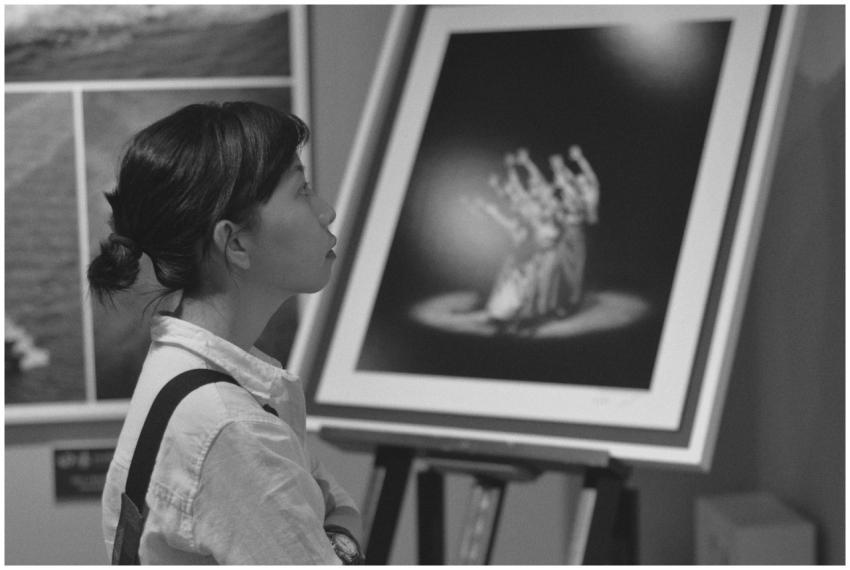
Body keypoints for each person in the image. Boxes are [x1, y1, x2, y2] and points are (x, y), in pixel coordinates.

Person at [88, 101, 362, 564]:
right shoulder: (231, 427)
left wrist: (337, 525)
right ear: (235, 243)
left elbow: (331, 509)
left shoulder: (185, 375)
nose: (327, 211)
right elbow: (340, 510)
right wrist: (346, 530)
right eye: (301, 190)